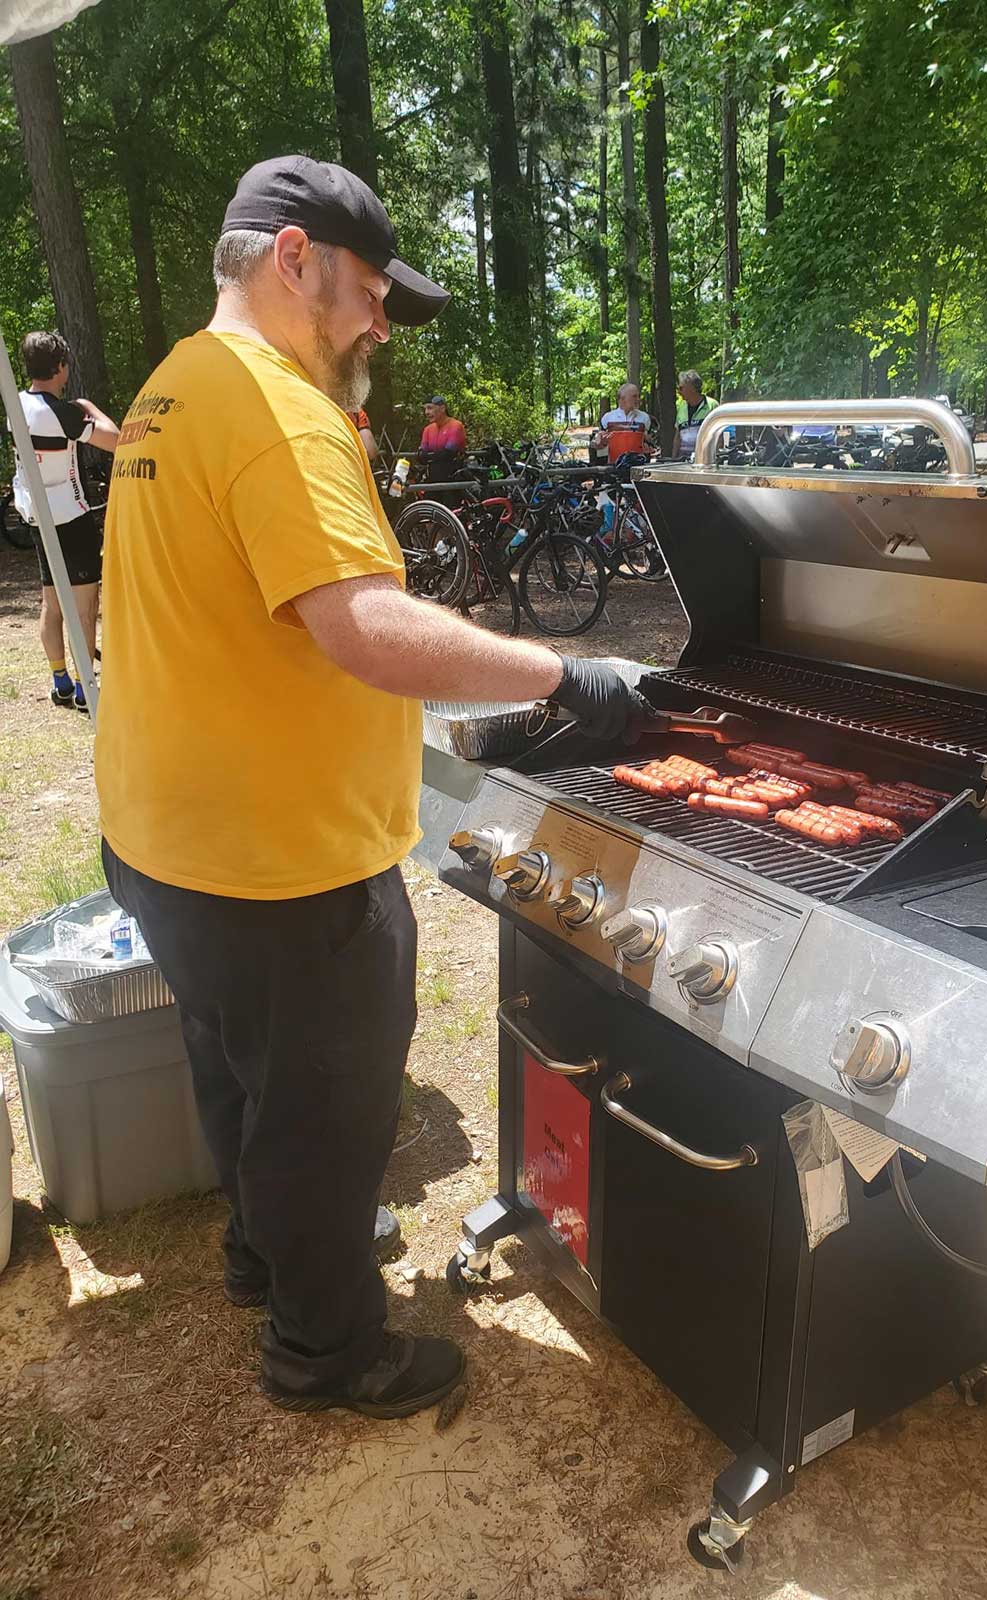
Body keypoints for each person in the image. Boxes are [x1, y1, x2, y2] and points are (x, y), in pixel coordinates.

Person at [94, 155, 647, 1422]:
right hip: (276, 859)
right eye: (369, 292)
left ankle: (264, 1257)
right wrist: (565, 672)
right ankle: (326, 1347)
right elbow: (365, 628)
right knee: (326, 1112)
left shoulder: (175, 386)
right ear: (296, 258)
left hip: (163, 833)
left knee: (239, 1067)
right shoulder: (278, 406)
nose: (380, 325)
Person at [10, 330, 118, 709]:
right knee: (84, 606)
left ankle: (61, 681)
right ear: (59, 367)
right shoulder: (65, 413)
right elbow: (116, 441)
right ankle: (87, 688)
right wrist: (90, 407)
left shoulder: (17, 403)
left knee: (51, 604)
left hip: (38, 516)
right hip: (72, 517)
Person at [597, 383, 652, 468]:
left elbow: (649, 442)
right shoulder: (608, 418)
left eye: (638, 396)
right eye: (634, 396)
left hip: (637, 467)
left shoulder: (644, 417)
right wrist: (601, 443)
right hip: (614, 466)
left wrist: (649, 445)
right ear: (622, 399)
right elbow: (598, 445)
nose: (638, 399)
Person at [417, 395, 466, 475]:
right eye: (425, 409)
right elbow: (422, 455)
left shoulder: (456, 426)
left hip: (453, 475)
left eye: (430, 408)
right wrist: (423, 455)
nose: (426, 412)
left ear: (442, 408)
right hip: (432, 474)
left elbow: (449, 453)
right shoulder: (427, 429)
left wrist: (428, 457)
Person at [673, 369, 717, 458]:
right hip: (683, 460)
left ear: (691, 387)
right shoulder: (681, 408)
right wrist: (673, 459)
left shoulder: (712, 405)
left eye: (681, 388)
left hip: (704, 460)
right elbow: (677, 437)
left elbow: (718, 436)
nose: (679, 391)